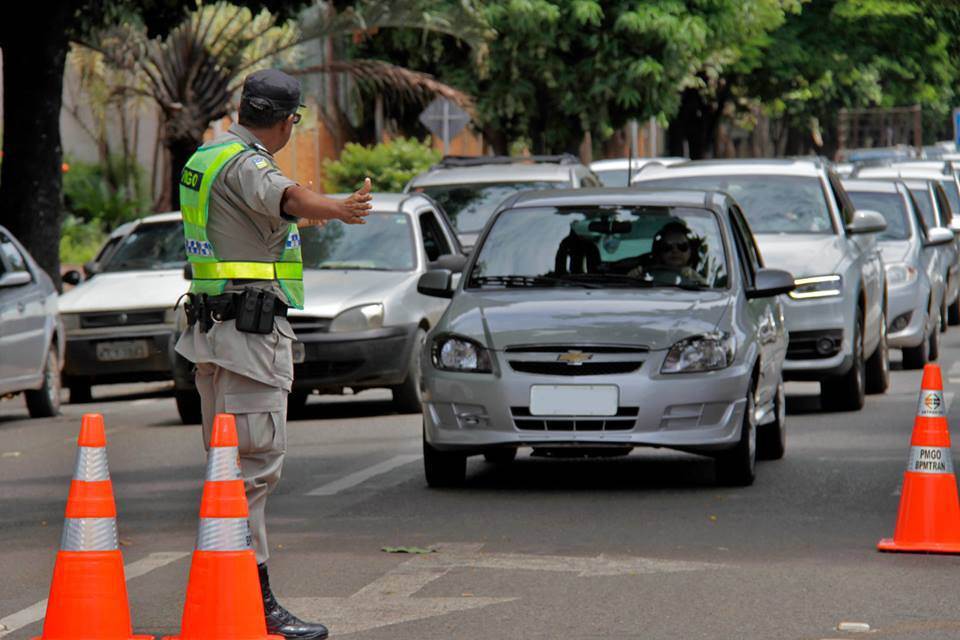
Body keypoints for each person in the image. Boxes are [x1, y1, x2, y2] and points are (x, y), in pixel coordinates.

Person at [175, 68, 372, 640]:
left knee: (224, 474)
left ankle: (224, 600)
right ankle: (254, 607)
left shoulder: (204, 157)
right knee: (251, 475)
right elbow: (283, 196)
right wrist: (336, 206)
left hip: (211, 335)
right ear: (289, 120)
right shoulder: (249, 161)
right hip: (247, 341)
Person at [628, 220, 706, 284]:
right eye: (667, 247)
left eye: (682, 246)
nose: (675, 251)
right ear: (660, 252)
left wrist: (699, 280)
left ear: (691, 250)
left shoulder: (708, 273)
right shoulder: (643, 275)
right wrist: (631, 279)